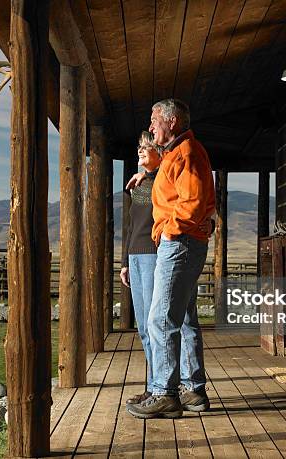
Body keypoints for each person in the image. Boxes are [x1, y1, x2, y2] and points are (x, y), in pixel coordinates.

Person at [127, 99, 215, 419]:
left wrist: (166, 231)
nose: (151, 127)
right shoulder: (175, 155)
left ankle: (164, 393)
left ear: (172, 121)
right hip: (181, 242)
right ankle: (192, 390)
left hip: (179, 243)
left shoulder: (188, 152)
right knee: (182, 315)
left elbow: (191, 205)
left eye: (155, 121)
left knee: (160, 318)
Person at [120, 131, 162, 405]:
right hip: (135, 256)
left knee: (152, 324)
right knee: (143, 328)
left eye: (147, 147)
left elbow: (166, 182)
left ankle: (161, 387)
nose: (141, 151)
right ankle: (153, 385)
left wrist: (148, 176)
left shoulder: (159, 179)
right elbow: (130, 226)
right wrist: (124, 262)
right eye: (139, 147)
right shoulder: (137, 186)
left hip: (152, 255)